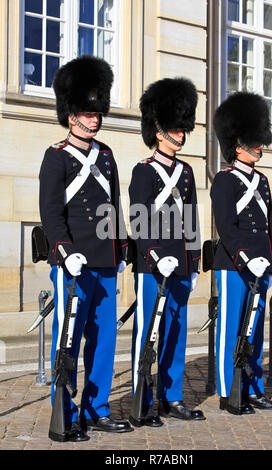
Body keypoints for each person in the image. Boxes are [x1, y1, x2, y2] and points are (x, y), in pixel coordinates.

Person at [39, 55, 132, 442]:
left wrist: (122, 246)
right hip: (74, 263)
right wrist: (64, 250)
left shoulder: (106, 154)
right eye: (86, 112)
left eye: (97, 111)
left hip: (105, 261)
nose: (94, 118)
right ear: (70, 114)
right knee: (68, 339)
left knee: (105, 340)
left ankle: (96, 408)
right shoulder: (56, 156)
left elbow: (114, 204)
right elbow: (50, 212)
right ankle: (65, 411)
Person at [128, 77, 205, 427]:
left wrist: (192, 264)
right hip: (152, 266)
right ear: (159, 131)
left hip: (180, 266)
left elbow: (191, 220)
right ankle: (142, 398)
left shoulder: (186, 172)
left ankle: (171, 396)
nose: (181, 133)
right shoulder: (144, 171)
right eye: (175, 127)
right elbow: (138, 220)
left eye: (182, 126)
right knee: (149, 332)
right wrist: (158, 256)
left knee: (175, 332)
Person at [211, 91, 272, 414]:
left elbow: (266, 225)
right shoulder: (224, 181)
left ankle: (253, 388)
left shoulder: (263, 181)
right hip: (234, 266)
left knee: (254, 332)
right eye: (253, 139)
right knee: (231, 328)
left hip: (260, 267)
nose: (259, 145)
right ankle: (229, 391)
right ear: (237, 143)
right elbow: (226, 227)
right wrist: (245, 259)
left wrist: (268, 263)